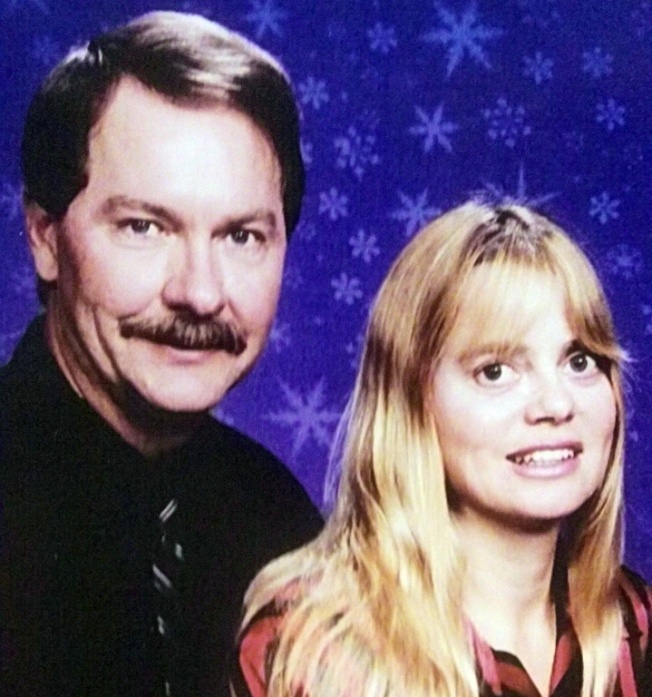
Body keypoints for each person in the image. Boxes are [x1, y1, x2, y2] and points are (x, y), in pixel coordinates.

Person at [0, 11, 322, 697]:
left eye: (241, 237)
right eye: (145, 227)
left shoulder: (281, 526)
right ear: (45, 238)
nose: (199, 293)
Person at [233, 202, 652, 697]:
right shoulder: (312, 645)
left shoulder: (633, 626)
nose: (557, 403)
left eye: (579, 360)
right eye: (495, 371)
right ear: (413, 401)